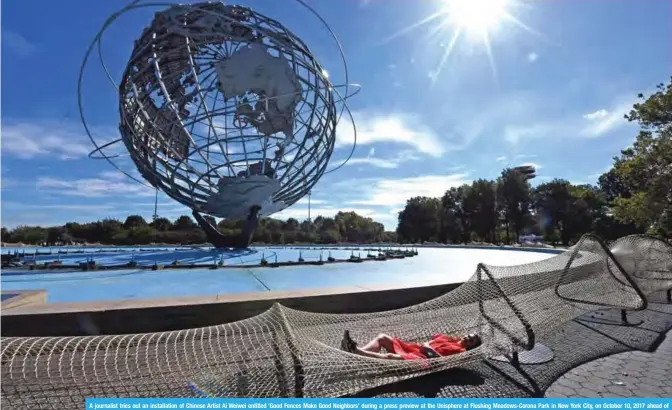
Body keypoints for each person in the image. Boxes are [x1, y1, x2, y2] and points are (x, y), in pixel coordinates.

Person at [340, 330, 482, 360]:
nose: (468, 337)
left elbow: (442, 361)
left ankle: (356, 352)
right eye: (469, 335)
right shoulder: (450, 338)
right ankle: (354, 352)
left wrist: (428, 348)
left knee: (391, 356)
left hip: (424, 360)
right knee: (382, 337)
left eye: (471, 340)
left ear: (471, 346)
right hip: (413, 349)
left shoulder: (461, 351)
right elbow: (435, 337)